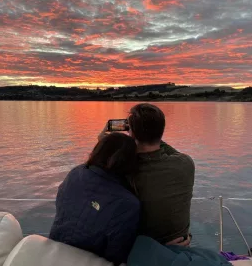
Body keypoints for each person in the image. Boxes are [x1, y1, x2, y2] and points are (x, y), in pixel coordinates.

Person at [99, 103, 195, 245]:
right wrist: (147, 129)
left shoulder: (122, 171)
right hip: (181, 245)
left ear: (132, 133)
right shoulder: (186, 164)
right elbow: (159, 145)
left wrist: (104, 135)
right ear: (161, 130)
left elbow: (104, 155)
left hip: (142, 251)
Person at [49, 133, 140, 265]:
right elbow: (117, 255)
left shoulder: (75, 173)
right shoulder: (128, 204)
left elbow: (60, 206)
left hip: (56, 250)